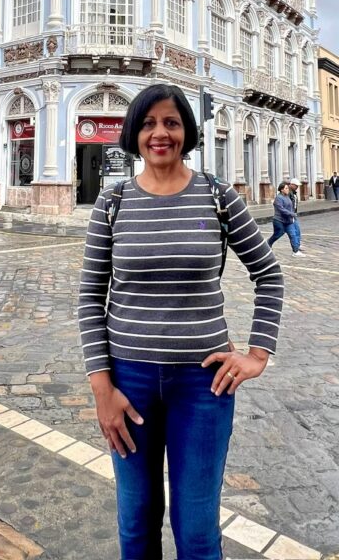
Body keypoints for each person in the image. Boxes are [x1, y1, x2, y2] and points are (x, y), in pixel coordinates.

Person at [78, 83, 284, 560]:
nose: (160, 133)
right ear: (134, 133)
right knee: (136, 522)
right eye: (149, 123)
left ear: (186, 131)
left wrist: (257, 354)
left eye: (171, 122)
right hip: (129, 383)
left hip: (203, 385)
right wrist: (102, 389)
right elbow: (89, 297)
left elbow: (269, 275)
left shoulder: (217, 196)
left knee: (196, 530)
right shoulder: (113, 202)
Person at [267, 181, 304, 257]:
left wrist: (292, 214)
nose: (288, 190)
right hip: (279, 220)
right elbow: (281, 209)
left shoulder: (287, 197)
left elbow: (291, 206)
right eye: (286, 188)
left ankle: (295, 251)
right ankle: (268, 243)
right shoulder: (279, 198)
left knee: (292, 234)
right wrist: (291, 214)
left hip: (288, 220)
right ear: (281, 190)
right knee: (278, 234)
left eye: (288, 188)